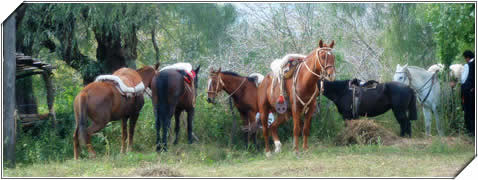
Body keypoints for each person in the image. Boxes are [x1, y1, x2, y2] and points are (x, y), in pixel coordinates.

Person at [461, 50, 475, 136]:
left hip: (468, 92)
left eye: (465, 58)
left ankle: (470, 131)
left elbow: (463, 79)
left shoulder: (468, 65)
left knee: (468, 111)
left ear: (467, 57)